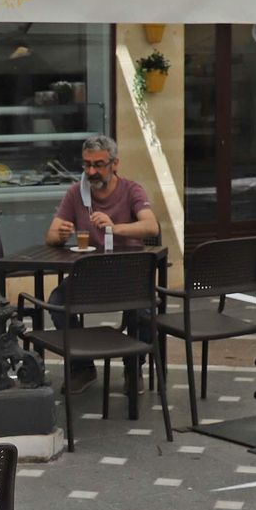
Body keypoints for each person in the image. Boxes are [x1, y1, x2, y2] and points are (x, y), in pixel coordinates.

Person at [42, 135, 161, 389]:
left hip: (127, 274)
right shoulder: (76, 192)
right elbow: (50, 236)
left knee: (146, 311)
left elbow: (151, 226)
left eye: (98, 165)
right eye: (86, 165)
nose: (91, 172)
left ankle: (133, 366)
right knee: (56, 303)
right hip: (88, 277)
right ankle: (82, 367)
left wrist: (115, 228)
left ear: (114, 163)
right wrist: (60, 234)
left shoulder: (131, 190)